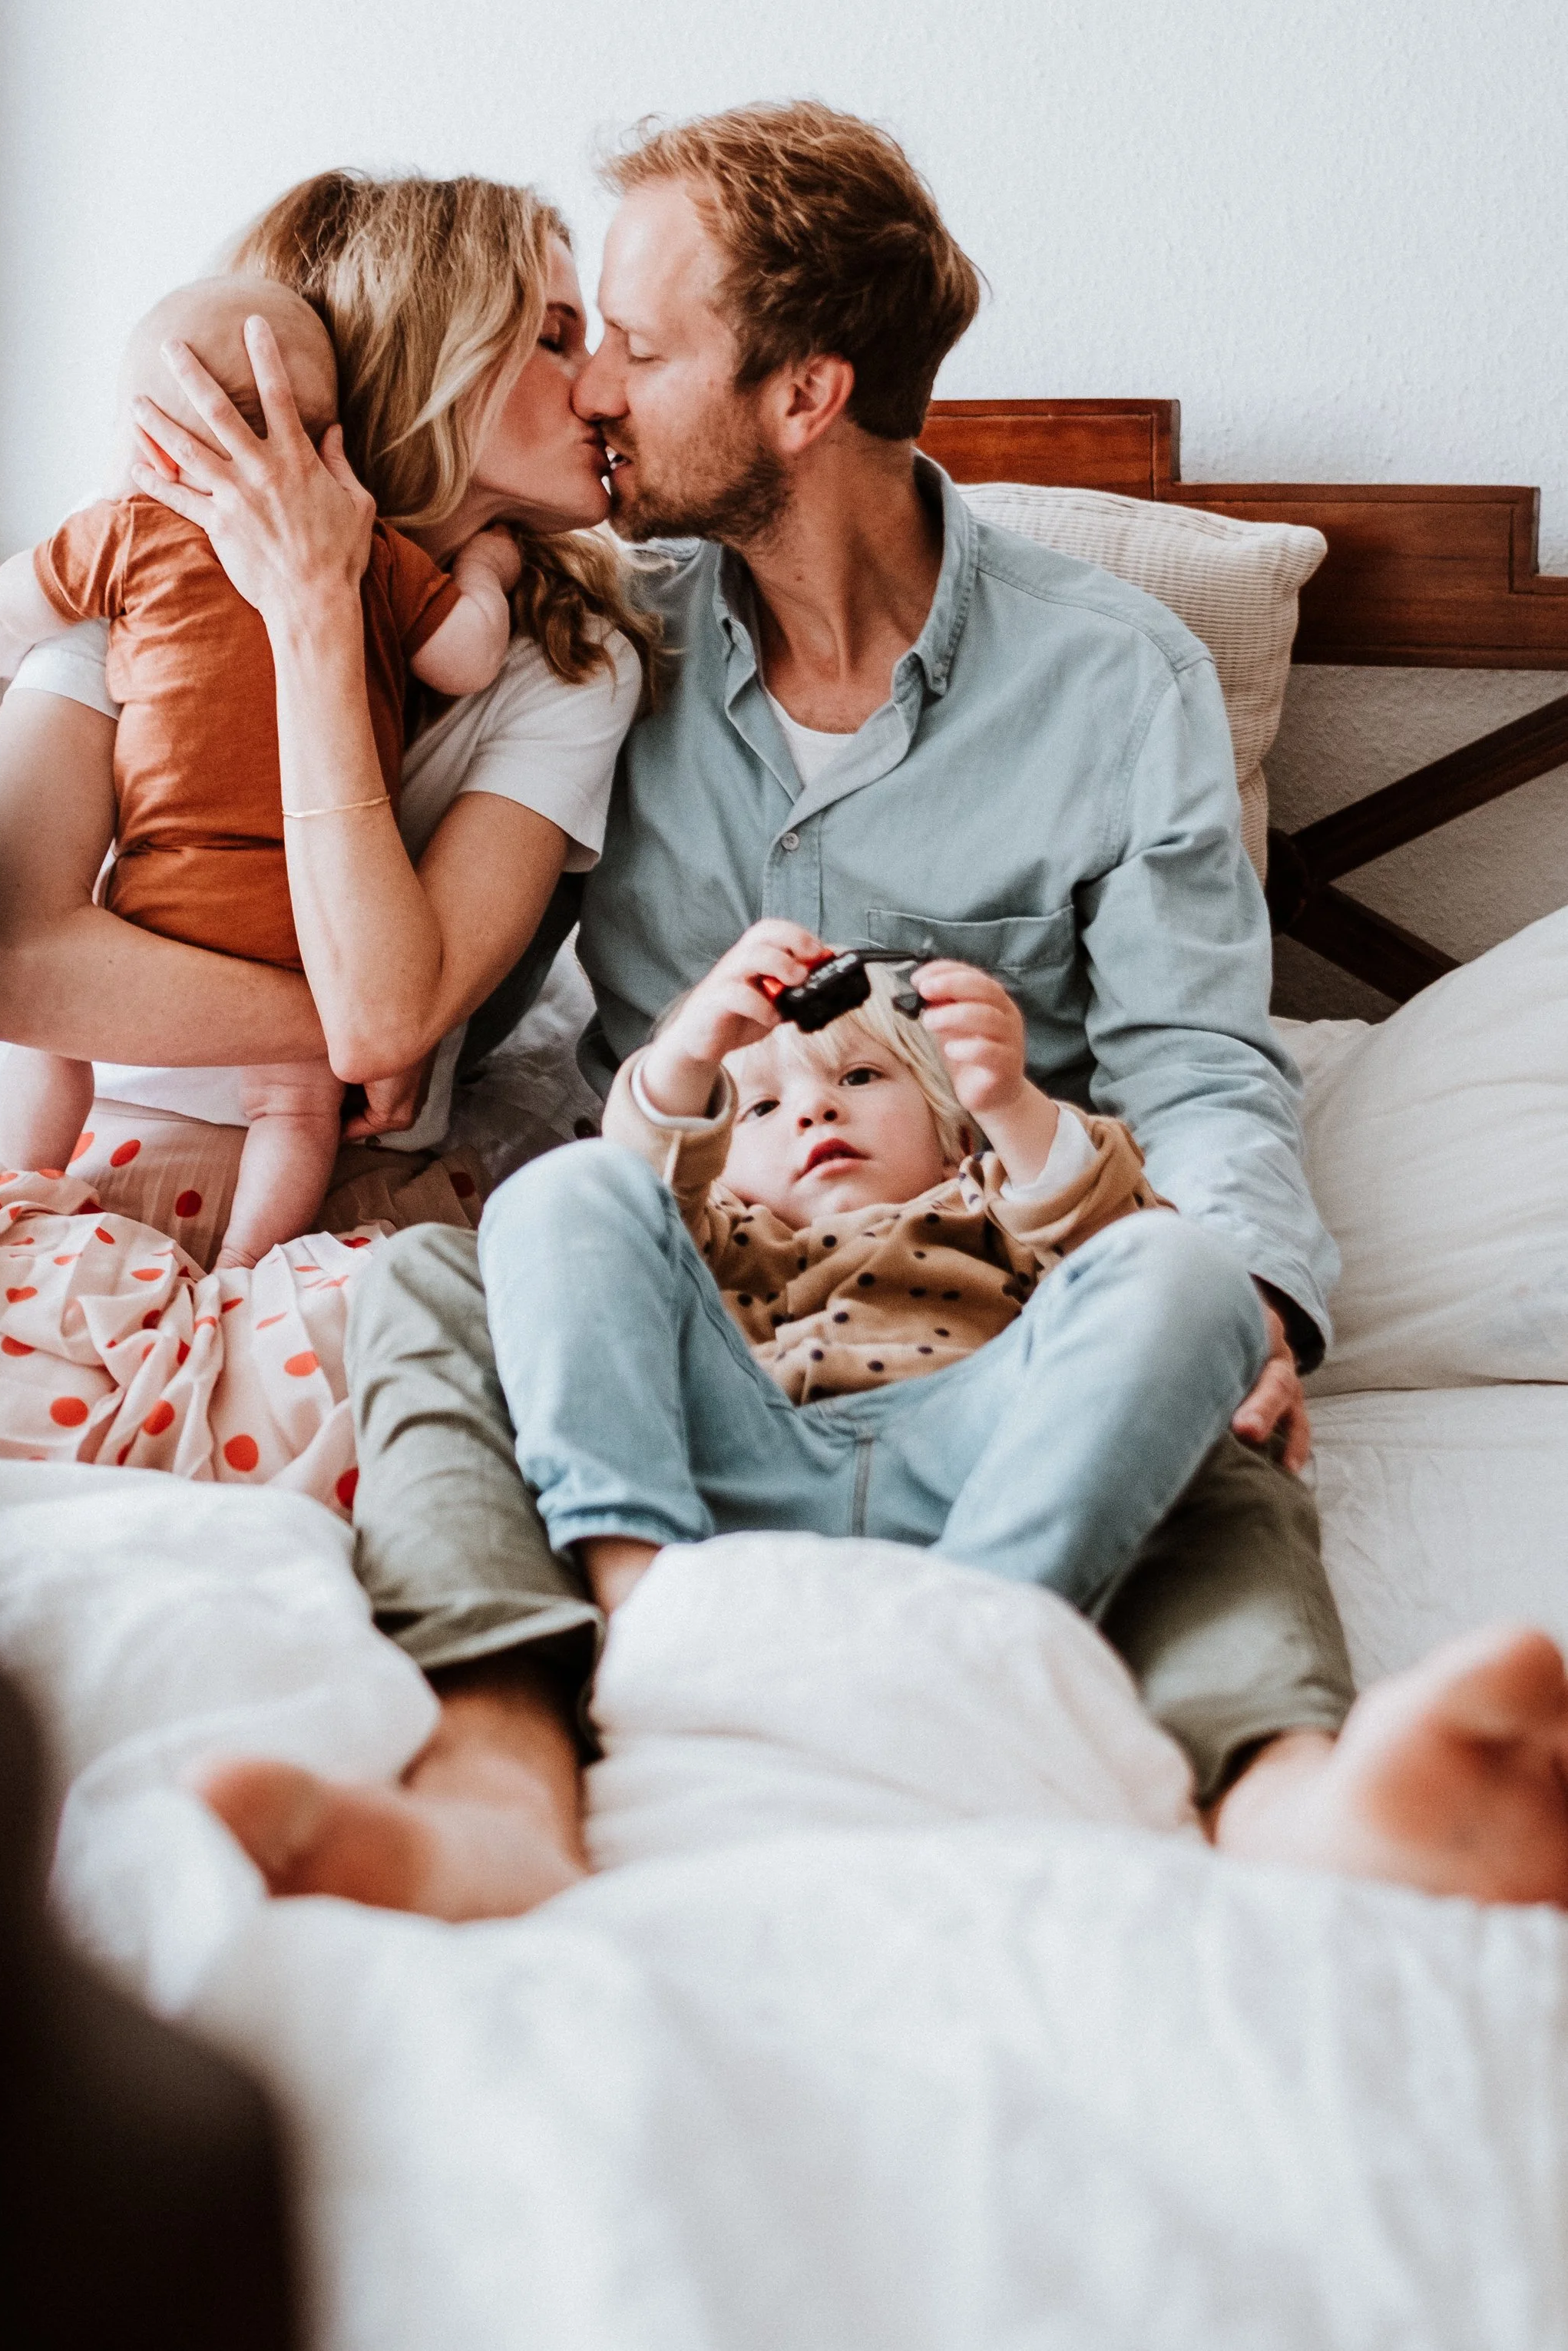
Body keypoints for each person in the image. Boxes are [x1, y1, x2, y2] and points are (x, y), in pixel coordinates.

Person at [199, 101, 1568, 1922]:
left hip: (993, 1339)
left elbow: (1191, 1059)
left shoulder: (1115, 676)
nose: (591, 386)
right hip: (672, 1340)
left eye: (638, 345)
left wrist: (1249, 1293)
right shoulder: (597, 649)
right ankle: (499, 1776)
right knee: (430, 1288)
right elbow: (428, 1017)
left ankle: (1279, 1795)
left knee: (1200, 1327)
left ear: (802, 395)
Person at [0, 175, 659, 1276]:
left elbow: (397, 1018)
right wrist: (342, 1029)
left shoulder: (569, 659)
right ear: (433, 360)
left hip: (347, 1183)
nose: (605, 388)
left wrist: (320, 606)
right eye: (556, 338)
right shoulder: (155, 554)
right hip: (87, 1156)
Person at [485, 924, 1259, 1629]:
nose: (814, 1109)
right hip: (744, 1464)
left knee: (1185, 1261)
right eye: (760, 1109)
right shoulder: (718, 1237)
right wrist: (688, 1058)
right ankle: (640, 1593)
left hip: (977, 1472)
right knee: (571, 1182)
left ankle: (984, 1625)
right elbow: (637, 1200)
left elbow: (1115, 1240)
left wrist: (1006, 1102)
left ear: (951, 1135)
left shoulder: (995, 1203)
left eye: (858, 1077)